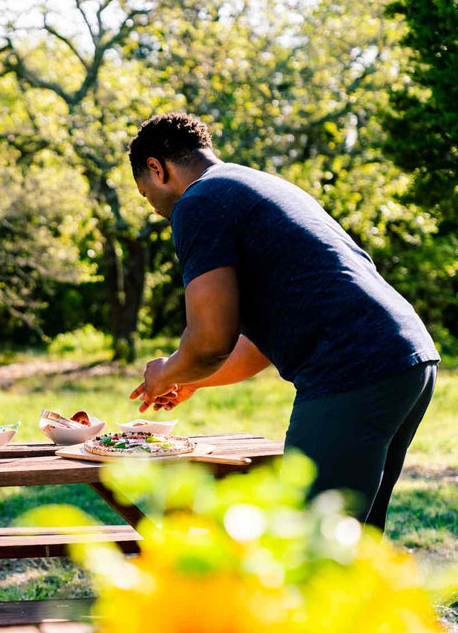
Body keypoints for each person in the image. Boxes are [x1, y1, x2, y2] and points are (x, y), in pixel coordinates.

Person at [126, 112, 440, 530]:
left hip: (351, 369)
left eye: (146, 195)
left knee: (310, 539)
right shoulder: (253, 185)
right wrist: (191, 379)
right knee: (352, 538)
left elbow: (210, 341)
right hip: (405, 358)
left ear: (156, 168)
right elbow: (256, 346)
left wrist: (165, 370)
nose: (155, 207)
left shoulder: (198, 202)